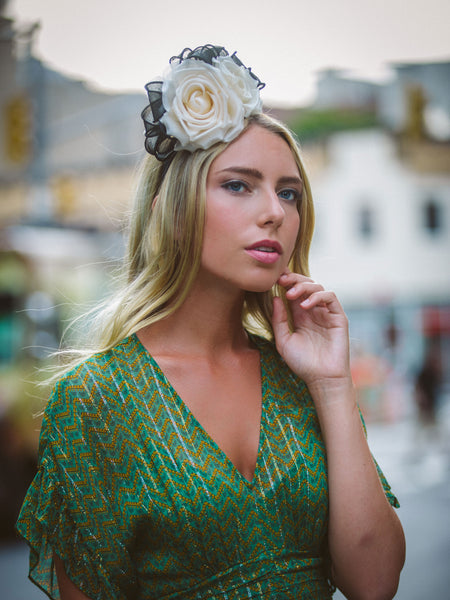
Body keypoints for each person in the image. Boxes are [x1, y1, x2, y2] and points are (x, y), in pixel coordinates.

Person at [16, 45, 405, 600]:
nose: (275, 210)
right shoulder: (95, 400)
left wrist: (333, 385)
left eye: (288, 192)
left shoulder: (303, 380)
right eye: (238, 185)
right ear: (169, 209)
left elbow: (376, 583)